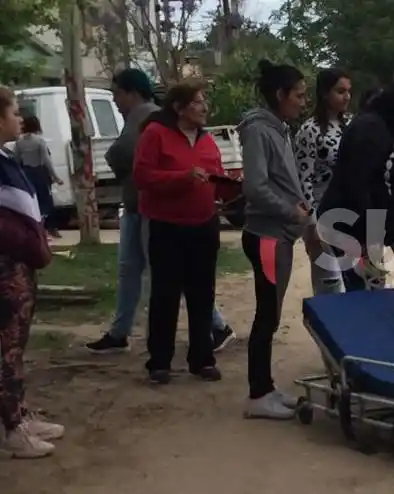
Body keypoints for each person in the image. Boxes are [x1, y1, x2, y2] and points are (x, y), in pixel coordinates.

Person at [86, 69, 235, 355]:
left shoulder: (147, 117)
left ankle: (212, 329)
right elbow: (145, 170)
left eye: (117, 93)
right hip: (144, 207)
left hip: (158, 212)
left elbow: (122, 153)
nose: (115, 100)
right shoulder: (154, 125)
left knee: (169, 278)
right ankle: (124, 334)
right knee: (136, 271)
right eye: (199, 102)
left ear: (132, 92)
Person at [318, 78, 394, 328]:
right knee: (361, 297)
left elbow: (386, 182)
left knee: (390, 286)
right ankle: (361, 355)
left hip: (374, 227)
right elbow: (358, 187)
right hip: (350, 228)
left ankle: (375, 345)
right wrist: (367, 244)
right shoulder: (370, 131)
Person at [133, 80, 223, 385]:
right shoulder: (155, 134)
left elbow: (215, 177)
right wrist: (182, 177)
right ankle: (159, 362)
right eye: (197, 102)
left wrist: (228, 187)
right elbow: (142, 176)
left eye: (204, 102)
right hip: (167, 225)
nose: (204, 108)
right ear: (179, 107)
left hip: (204, 224)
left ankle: (202, 358)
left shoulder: (207, 140)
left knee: (202, 294)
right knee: (165, 295)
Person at [239, 60, 309, 419]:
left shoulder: (278, 128)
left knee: (272, 312)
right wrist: (291, 211)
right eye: (298, 95)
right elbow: (255, 186)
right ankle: (257, 395)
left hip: (279, 234)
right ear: (280, 95)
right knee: (267, 315)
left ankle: (265, 387)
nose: (302, 101)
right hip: (267, 235)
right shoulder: (258, 131)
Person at [0, 85, 64, 459]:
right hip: (6, 265)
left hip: (19, 263)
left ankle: (19, 413)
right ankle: (12, 428)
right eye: (12, 111)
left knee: (16, 344)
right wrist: (27, 243)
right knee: (6, 348)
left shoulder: (6, 157)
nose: (19, 118)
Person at [294, 68, 351, 296]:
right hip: (322, 212)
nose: (346, 97)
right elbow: (303, 179)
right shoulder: (310, 130)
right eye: (340, 91)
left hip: (349, 213)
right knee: (330, 283)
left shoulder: (351, 124)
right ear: (325, 94)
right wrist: (311, 224)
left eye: (349, 91)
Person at [14, 116, 63, 238]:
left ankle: (35, 228)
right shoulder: (40, 141)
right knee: (46, 201)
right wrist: (56, 177)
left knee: (31, 201)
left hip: (26, 172)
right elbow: (47, 160)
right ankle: (51, 228)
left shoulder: (19, 142)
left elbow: (16, 159)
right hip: (39, 172)